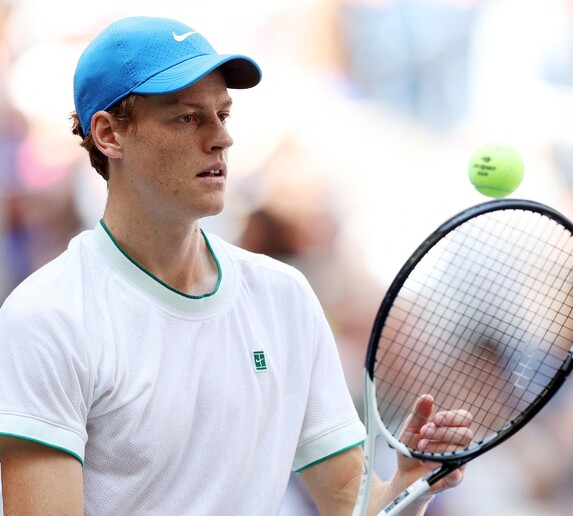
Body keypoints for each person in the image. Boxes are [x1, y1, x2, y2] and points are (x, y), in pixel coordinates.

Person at [0, 16, 471, 515]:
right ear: (109, 135)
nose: (220, 138)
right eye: (187, 117)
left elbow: (353, 508)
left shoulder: (284, 296)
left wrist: (409, 483)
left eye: (222, 114)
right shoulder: (46, 319)